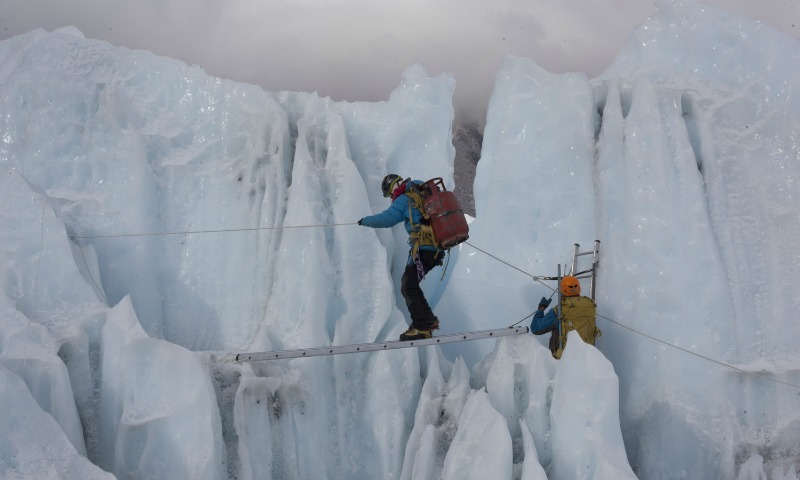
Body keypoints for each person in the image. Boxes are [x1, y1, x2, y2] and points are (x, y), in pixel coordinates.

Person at [358, 174, 445, 341]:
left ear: (393, 187)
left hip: (424, 249)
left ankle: (421, 327)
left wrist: (365, 221)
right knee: (411, 284)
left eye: (390, 194)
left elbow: (386, 219)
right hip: (436, 249)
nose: (391, 197)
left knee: (408, 286)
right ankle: (428, 320)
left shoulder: (404, 198)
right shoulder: (421, 191)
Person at [530, 275, 599, 359]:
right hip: (588, 357)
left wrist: (541, 308)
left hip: (565, 358)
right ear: (579, 288)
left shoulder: (560, 310)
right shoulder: (590, 305)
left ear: (562, 290)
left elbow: (536, 328)